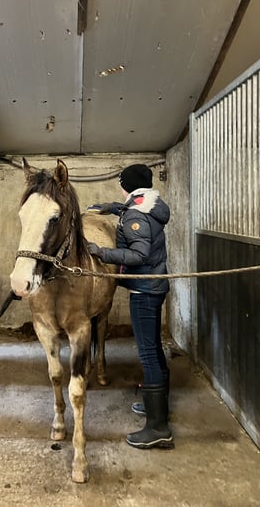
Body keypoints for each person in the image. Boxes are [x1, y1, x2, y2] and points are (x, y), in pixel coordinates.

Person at [86, 163, 173, 449]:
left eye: (120, 184)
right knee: (155, 350)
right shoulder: (148, 205)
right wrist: (114, 208)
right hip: (155, 286)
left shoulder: (135, 214)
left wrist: (102, 252)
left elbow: (138, 253)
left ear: (128, 185)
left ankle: (159, 428)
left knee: (148, 355)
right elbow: (137, 217)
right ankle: (157, 408)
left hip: (144, 290)